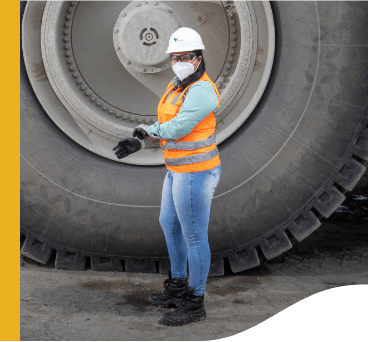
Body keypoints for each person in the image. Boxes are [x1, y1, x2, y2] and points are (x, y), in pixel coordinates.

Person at [113, 27, 221, 326]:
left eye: (184, 57)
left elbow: (177, 129)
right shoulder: (177, 85)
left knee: (195, 236)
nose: (178, 62)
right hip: (176, 168)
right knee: (169, 224)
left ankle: (195, 301)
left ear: (198, 59)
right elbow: (166, 121)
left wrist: (148, 133)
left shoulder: (202, 90)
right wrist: (141, 137)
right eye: (174, 57)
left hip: (196, 171)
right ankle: (176, 285)